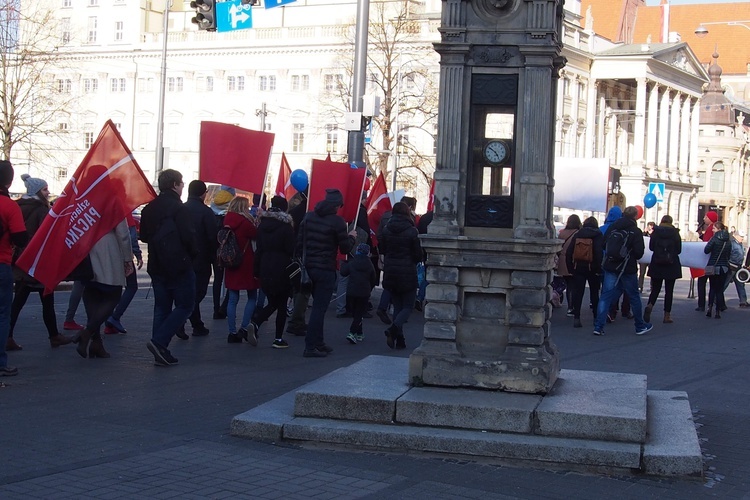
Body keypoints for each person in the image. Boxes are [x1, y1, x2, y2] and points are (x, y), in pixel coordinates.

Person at [8, 174, 73, 350]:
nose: (48, 192)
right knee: (42, 299)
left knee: (22, 301)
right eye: (45, 189)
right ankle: (53, 336)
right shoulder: (41, 210)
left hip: (21, 262)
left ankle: (11, 335)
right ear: (37, 192)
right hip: (37, 263)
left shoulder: (18, 207)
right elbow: (48, 235)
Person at [140, 169, 197, 367]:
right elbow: (189, 237)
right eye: (181, 183)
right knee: (185, 305)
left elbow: (144, 236)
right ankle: (159, 342)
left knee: (161, 308)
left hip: (157, 264)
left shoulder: (149, 208)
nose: (182, 187)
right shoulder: (179, 208)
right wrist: (191, 255)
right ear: (174, 185)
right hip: (179, 264)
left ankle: (160, 349)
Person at [297, 188, 355, 357]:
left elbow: (299, 243)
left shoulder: (308, 217)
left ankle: (319, 342)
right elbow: (345, 248)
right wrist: (351, 236)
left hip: (308, 268)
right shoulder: (337, 222)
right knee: (319, 309)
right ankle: (310, 346)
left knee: (317, 306)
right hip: (325, 268)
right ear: (336, 205)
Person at [74, 220, 134, 358]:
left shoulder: (84, 199)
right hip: (108, 248)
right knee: (113, 295)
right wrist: (127, 258)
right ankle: (87, 333)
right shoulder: (113, 200)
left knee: (91, 292)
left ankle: (96, 342)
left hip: (86, 245)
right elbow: (123, 233)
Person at [593, 206, 652, 336]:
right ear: (635, 216)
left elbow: (603, 244)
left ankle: (598, 326)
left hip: (610, 265)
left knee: (605, 295)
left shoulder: (613, 227)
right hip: (627, 267)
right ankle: (640, 326)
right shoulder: (635, 231)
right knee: (634, 296)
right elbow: (639, 253)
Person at [252, 195, 295, 348]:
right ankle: (277, 338)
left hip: (265, 265)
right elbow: (291, 249)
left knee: (272, 301)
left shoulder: (262, 225)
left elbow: (259, 249)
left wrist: (256, 269)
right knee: (281, 303)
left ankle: (255, 324)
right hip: (281, 267)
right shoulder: (286, 226)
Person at [379, 201, 423, 349]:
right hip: (407, 272)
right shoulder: (412, 231)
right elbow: (418, 254)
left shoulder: (386, 229)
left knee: (398, 306)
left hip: (391, 271)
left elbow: (383, 249)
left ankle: (400, 339)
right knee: (408, 306)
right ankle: (394, 328)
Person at [0, 160, 27, 376]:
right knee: (2, 315)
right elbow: (20, 237)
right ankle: (1, 363)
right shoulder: (10, 206)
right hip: (2, 263)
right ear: (9, 182)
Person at [223, 196, 260, 344]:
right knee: (252, 296)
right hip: (247, 263)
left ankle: (231, 332)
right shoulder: (245, 223)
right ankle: (244, 328)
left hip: (231, 262)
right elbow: (257, 235)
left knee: (232, 299)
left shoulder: (226, 221)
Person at [185, 180, 218, 336]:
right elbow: (212, 237)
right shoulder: (206, 212)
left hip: (184, 258)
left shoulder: (181, 209)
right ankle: (181, 319)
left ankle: (196, 324)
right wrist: (214, 256)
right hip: (201, 258)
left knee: (190, 291)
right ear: (202, 193)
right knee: (198, 292)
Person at [103, 213, 143, 334]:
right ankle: (115, 317)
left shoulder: (104, 208)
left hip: (107, 255)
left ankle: (108, 323)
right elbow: (129, 237)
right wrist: (136, 255)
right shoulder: (123, 210)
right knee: (131, 286)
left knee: (111, 288)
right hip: (122, 256)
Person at [565, 216, 603, 328]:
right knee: (594, 293)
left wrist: (571, 268)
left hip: (578, 267)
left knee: (578, 293)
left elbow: (569, 252)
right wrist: (598, 268)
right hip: (593, 268)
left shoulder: (578, 234)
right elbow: (599, 252)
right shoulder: (598, 235)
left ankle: (577, 317)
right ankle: (596, 318)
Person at [643, 215, 682, 324]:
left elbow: (651, 247)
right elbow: (679, 250)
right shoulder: (675, 233)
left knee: (655, 289)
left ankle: (650, 305)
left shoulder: (656, 232)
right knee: (669, 291)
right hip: (671, 264)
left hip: (657, 263)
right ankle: (667, 315)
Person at [286, 189, 310, 337]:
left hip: (296, 253)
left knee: (298, 287)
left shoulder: (295, 212)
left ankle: (297, 317)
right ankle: (297, 320)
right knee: (303, 289)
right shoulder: (309, 213)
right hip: (304, 254)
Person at [342, 243, 377, 344]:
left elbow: (343, 272)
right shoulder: (369, 264)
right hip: (364, 292)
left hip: (351, 291)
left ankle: (359, 333)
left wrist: (345, 263)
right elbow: (373, 278)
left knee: (355, 313)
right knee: (359, 313)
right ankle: (352, 332)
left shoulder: (352, 262)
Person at [210, 186, 234, 319]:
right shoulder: (230, 215)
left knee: (217, 280)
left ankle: (215, 308)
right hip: (229, 252)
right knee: (230, 281)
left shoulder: (211, 211)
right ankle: (224, 308)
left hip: (215, 251)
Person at [704, 221, 732, 319]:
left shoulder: (714, 238)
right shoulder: (728, 240)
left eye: (714, 228)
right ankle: (718, 311)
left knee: (712, 288)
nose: (712, 230)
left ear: (718, 229)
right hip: (724, 267)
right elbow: (729, 255)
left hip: (713, 267)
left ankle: (709, 309)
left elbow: (706, 250)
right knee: (719, 290)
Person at [557, 214, 582, 316]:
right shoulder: (579, 233)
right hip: (574, 260)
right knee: (574, 285)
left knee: (569, 285)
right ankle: (573, 306)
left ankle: (570, 307)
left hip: (563, 261)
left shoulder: (562, 233)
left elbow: (558, 248)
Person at [695, 211, 719, 312]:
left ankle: (702, 305)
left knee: (702, 282)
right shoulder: (711, 229)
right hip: (712, 262)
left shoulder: (710, 229)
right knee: (713, 284)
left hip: (706, 261)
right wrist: (701, 234)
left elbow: (707, 244)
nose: (704, 218)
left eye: (706, 216)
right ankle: (714, 304)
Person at [725, 231, 749, 307]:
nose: (742, 238)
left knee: (740, 284)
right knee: (725, 283)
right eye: (741, 236)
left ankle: (743, 301)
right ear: (736, 236)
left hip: (738, 267)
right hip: (732, 267)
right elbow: (727, 254)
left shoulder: (740, 244)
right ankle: (716, 298)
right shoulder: (732, 244)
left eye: (743, 237)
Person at [638, 221, 655, 293]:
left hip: (652, 257)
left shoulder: (655, 235)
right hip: (644, 256)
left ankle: (652, 287)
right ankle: (640, 286)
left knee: (653, 274)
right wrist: (644, 232)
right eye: (649, 226)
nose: (650, 228)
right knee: (642, 273)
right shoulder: (644, 234)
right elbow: (640, 240)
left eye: (652, 226)